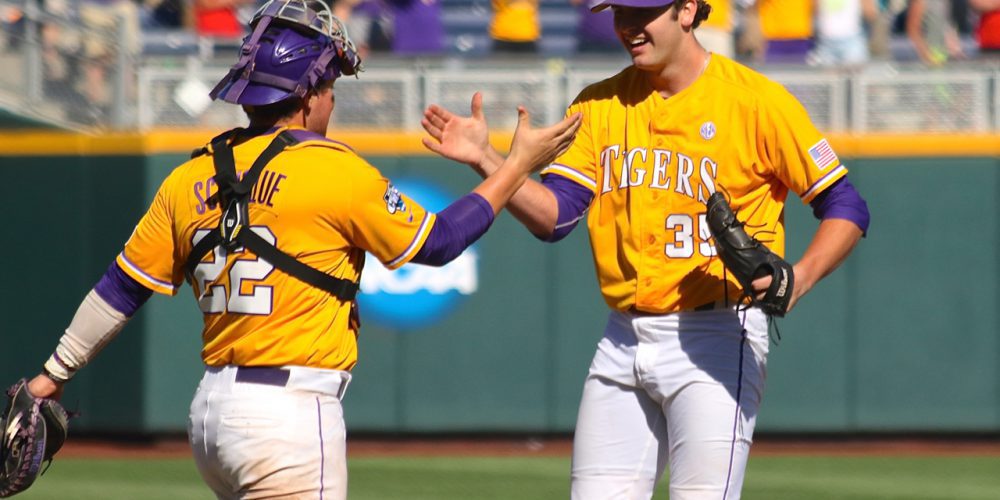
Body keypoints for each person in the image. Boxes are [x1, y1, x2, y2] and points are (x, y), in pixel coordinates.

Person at [19, 0, 580, 498]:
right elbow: (438, 242)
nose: (331, 101)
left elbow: (120, 288)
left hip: (212, 416)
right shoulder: (332, 170)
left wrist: (53, 374)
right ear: (309, 95)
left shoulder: (189, 175)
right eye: (330, 88)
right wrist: (514, 168)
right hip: (286, 415)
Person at [421, 0, 870, 498]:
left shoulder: (756, 102)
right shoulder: (598, 105)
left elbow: (845, 203)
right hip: (622, 339)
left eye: (644, 11)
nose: (628, 26)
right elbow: (556, 217)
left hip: (717, 336)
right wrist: (488, 159)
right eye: (619, 12)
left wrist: (800, 278)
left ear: (687, 10)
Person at [808, 0, 877, 67]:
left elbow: (871, 13)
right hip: (825, 41)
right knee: (827, 76)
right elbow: (814, 10)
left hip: (852, 40)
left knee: (854, 73)